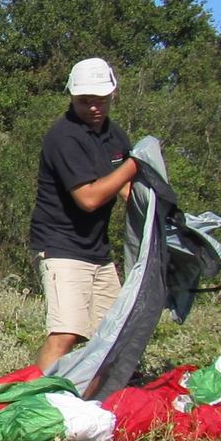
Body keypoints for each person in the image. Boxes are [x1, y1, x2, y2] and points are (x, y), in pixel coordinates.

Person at [31, 57, 138, 370]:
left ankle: (97, 393)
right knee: (66, 334)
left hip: (98, 251)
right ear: (72, 97)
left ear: (112, 95)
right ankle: (38, 395)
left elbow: (125, 189)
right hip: (60, 246)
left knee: (114, 334)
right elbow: (89, 198)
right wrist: (134, 165)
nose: (93, 107)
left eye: (100, 100)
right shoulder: (64, 138)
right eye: (85, 101)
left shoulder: (114, 136)